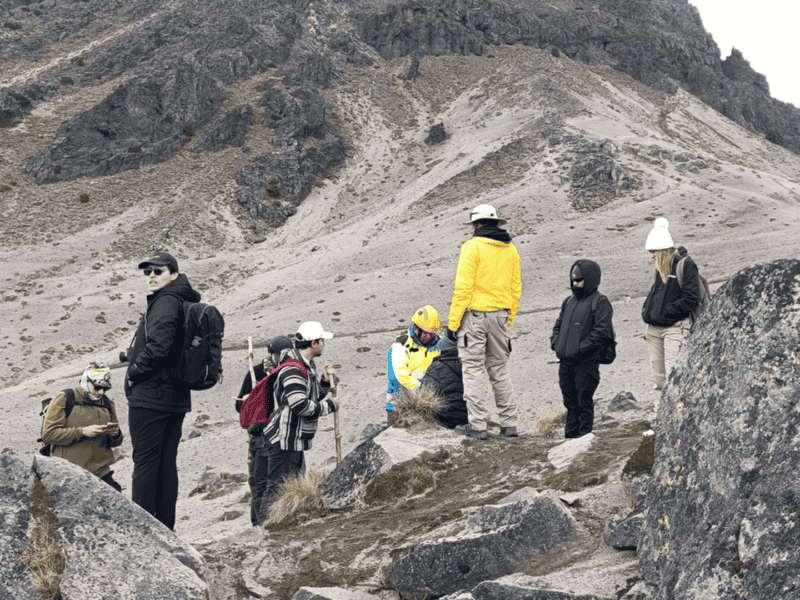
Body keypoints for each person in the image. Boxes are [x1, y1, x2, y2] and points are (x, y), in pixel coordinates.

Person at [124, 250, 201, 530]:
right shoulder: (182, 300)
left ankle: (144, 532)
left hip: (152, 397)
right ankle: (165, 528)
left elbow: (159, 347)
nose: (152, 276)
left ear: (174, 274)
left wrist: (133, 373)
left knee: (145, 464)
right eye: (148, 272)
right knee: (166, 464)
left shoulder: (166, 301)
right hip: (175, 397)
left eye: (158, 271)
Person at [446, 204, 522, 440]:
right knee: (499, 369)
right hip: (500, 316)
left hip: (474, 318)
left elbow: (463, 289)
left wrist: (453, 323)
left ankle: (477, 426)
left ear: (477, 224)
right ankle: (509, 424)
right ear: (496, 223)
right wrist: (507, 321)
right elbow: (515, 290)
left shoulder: (471, 247)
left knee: (473, 370)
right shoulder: (511, 250)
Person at [259, 321, 338, 523]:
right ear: (313, 343)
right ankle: (263, 529)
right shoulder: (294, 369)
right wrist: (329, 406)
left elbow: (310, 397)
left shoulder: (304, 365)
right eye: (322, 341)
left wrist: (324, 382)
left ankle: (277, 525)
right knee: (276, 487)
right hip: (284, 438)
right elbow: (300, 405)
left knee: (289, 485)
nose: (324, 344)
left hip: (293, 438)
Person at [236, 334, 294, 526]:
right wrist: (249, 401)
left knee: (281, 482)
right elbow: (239, 405)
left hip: (282, 436)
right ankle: (259, 525)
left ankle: (277, 523)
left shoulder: (289, 371)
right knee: (260, 485)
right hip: (260, 437)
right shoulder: (258, 372)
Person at [551, 260, 614, 438]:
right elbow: (558, 325)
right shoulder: (568, 302)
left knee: (583, 400)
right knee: (570, 403)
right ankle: (570, 438)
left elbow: (601, 331)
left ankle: (584, 439)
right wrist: (556, 344)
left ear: (590, 279)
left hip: (586, 362)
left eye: (579, 280)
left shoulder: (600, 301)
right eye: (573, 280)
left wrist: (580, 349)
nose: (575, 284)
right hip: (565, 361)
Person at [41, 363, 123, 490]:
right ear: (86, 381)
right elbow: (49, 435)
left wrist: (115, 434)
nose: (101, 392)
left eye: (105, 389)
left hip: (101, 473)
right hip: (68, 474)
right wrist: (82, 432)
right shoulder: (65, 398)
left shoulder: (107, 403)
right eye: (97, 387)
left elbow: (116, 441)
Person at [641, 218, 700, 391]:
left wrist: (666, 312)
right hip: (654, 329)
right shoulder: (661, 267)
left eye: (654, 251)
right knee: (659, 380)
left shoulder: (685, 265)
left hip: (675, 328)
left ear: (663, 250)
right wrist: (647, 311)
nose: (652, 255)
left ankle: (677, 408)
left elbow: (691, 298)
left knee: (674, 375)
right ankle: (662, 408)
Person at [385, 305, 442, 426]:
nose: (428, 336)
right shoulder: (401, 345)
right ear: (416, 328)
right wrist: (422, 389)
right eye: (425, 333)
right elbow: (401, 374)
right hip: (399, 403)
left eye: (431, 333)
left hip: (428, 402)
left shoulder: (438, 345)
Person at [419, 337, 469, 429]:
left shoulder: (436, 367)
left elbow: (424, 394)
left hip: (445, 418)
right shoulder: (470, 366)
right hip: (468, 416)